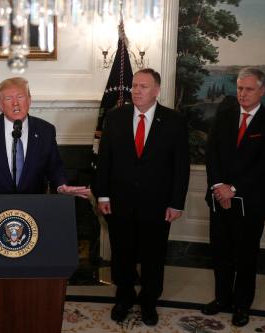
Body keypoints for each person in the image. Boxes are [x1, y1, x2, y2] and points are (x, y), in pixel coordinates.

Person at [93, 68, 190, 326]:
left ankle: (149, 302)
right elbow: (104, 161)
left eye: (143, 86)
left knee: (153, 257)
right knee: (122, 255)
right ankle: (123, 298)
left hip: (158, 205)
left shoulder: (174, 121)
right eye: (134, 85)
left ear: (157, 91)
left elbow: (181, 167)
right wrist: (102, 195)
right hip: (119, 202)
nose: (136, 90)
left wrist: (176, 203)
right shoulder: (115, 118)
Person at [202, 67, 265, 327]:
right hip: (218, 199)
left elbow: (264, 165)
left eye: (248, 89)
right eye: (239, 88)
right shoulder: (223, 115)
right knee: (220, 253)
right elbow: (211, 154)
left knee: (246, 257)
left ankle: (241, 305)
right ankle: (222, 299)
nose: (243, 94)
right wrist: (218, 187)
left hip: (251, 203)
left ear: (262, 90)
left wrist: (232, 188)